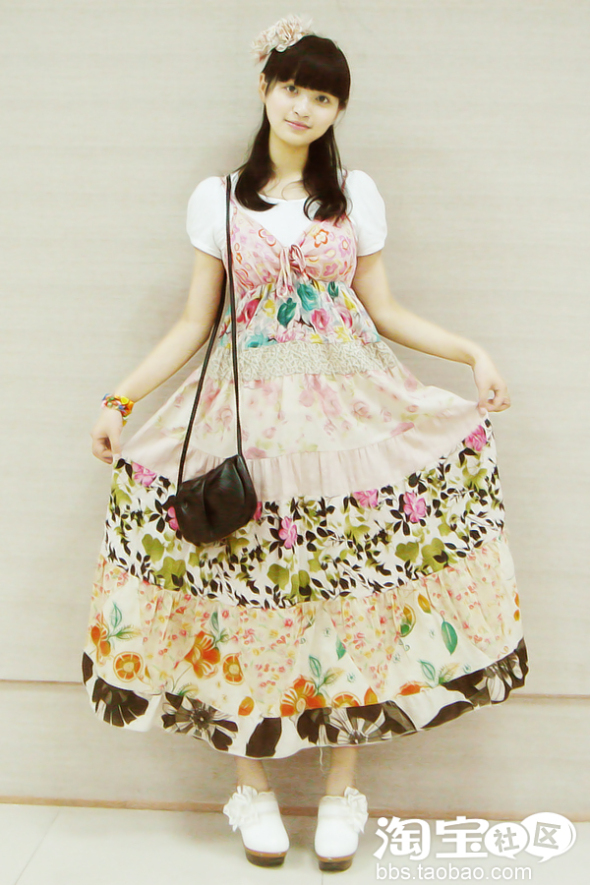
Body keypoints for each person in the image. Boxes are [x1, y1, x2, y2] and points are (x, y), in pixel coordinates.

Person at [86, 14, 528, 873]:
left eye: (322, 97)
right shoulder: (218, 198)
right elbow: (195, 321)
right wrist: (121, 397)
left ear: (337, 110)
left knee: (344, 587)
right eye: (292, 87)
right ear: (265, 87)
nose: (303, 107)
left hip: (348, 413)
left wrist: (471, 351)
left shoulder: (353, 193)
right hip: (247, 416)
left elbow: (383, 309)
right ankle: (250, 784)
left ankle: (340, 790)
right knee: (240, 586)